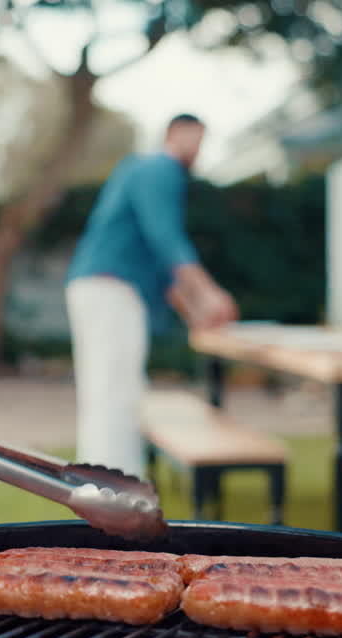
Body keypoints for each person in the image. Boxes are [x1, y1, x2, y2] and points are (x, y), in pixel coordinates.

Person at [66, 114, 238, 478]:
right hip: (109, 288)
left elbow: (161, 269)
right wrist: (210, 295)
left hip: (99, 287)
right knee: (116, 396)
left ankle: (106, 488)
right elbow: (167, 240)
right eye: (195, 138)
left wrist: (194, 314)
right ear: (173, 133)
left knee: (108, 393)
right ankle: (117, 492)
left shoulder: (141, 171)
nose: (198, 150)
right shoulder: (159, 169)